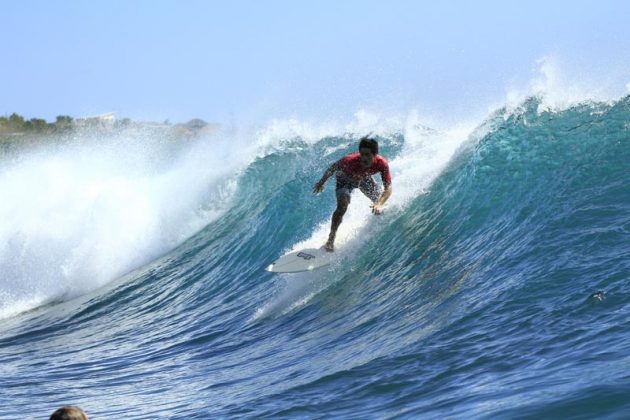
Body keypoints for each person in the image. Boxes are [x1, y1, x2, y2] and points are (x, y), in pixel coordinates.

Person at [313, 136, 392, 251]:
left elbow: (388, 188)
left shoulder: (382, 164)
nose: (364, 158)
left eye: (367, 155)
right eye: (362, 154)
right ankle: (331, 238)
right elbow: (332, 168)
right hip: (344, 180)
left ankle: (376, 235)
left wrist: (379, 203)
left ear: (375, 154)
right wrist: (321, 182)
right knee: (342, 207)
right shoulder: (348, 160)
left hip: (364, 179)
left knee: (379, 205)